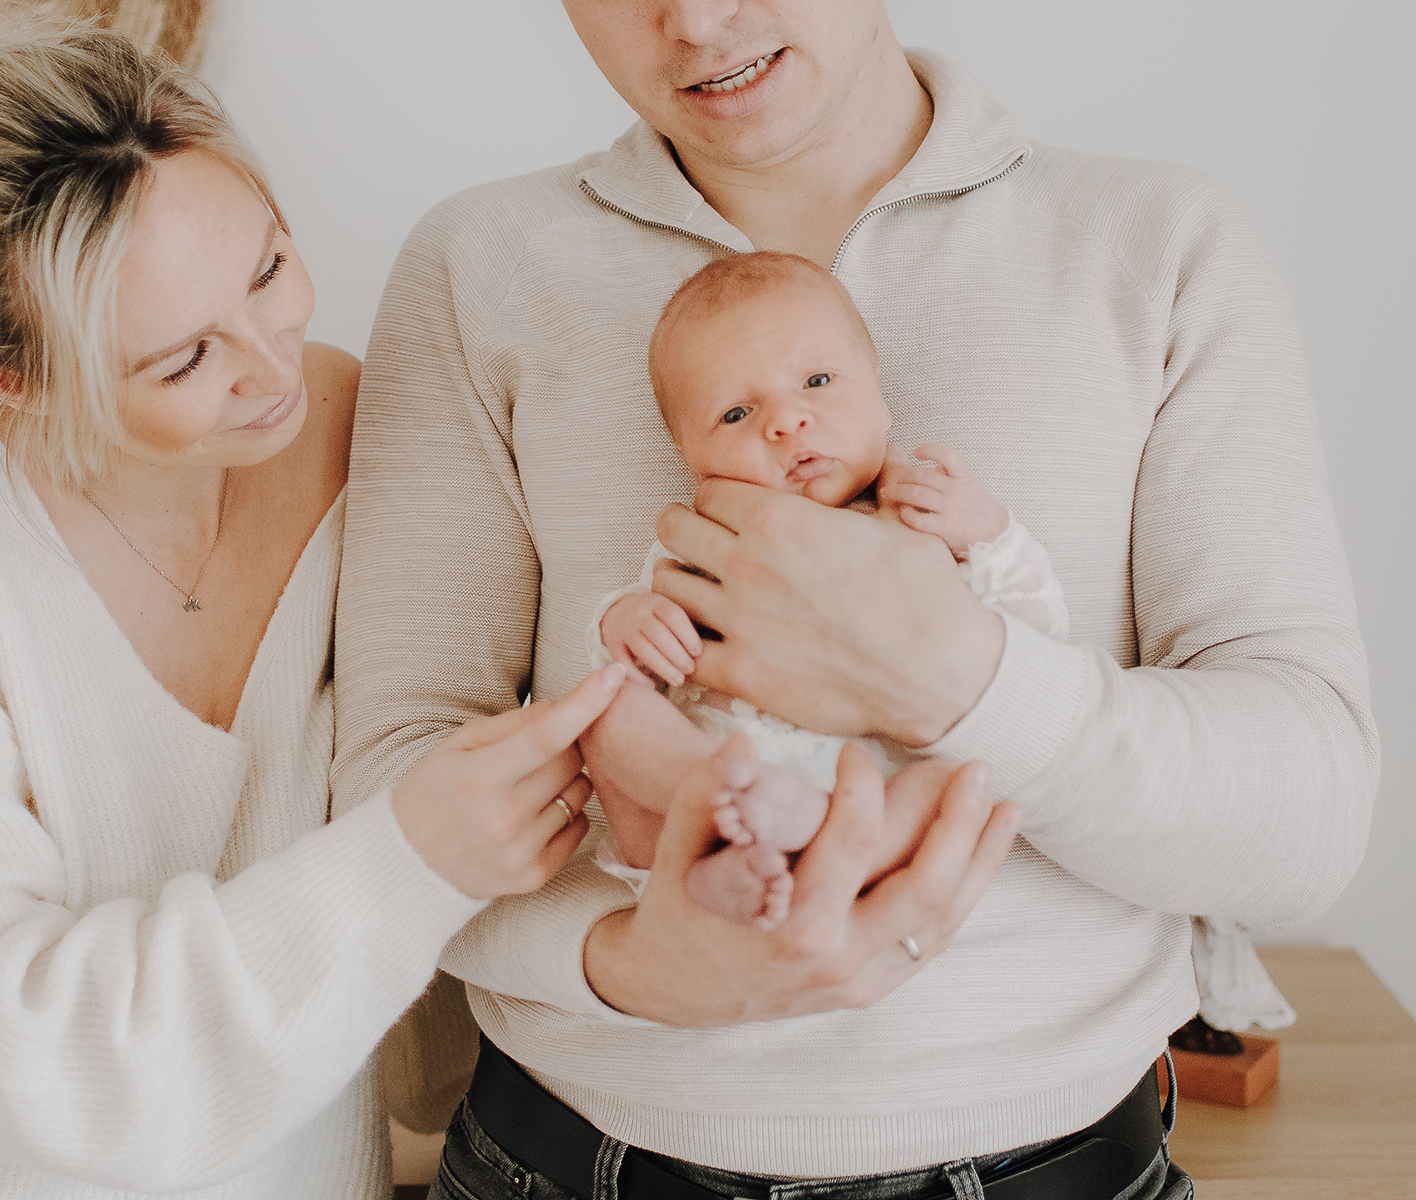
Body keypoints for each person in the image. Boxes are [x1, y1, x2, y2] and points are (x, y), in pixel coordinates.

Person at [333, 1, 1377, 1197]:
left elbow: (1308, 823)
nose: (694, 20)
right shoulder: (480, 264)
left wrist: (951, 677)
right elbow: (389, 789)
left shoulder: (1158, 243)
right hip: (567, 1160)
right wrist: (621, 962)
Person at [0, 17, 631, 1200]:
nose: (272, 366)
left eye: (268, 269)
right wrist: (407, 859)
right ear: (10, 378)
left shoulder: (363, 431)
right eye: (183, 360)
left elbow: (425, 1037)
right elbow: (8, 1057)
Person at [589, 251, 1067, 929]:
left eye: (816, 381)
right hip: (719, 778)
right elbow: (638, 658)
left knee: (960, 781)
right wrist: (627, 622)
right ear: (689, 458)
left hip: (869, 799)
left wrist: (989, 533)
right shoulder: (707, 541)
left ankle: (809, 838)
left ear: (882, 399)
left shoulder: (924, 518)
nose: (787, 421)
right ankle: (709, 855)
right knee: (606, 715)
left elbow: (1038, 638)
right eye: (735, 414)